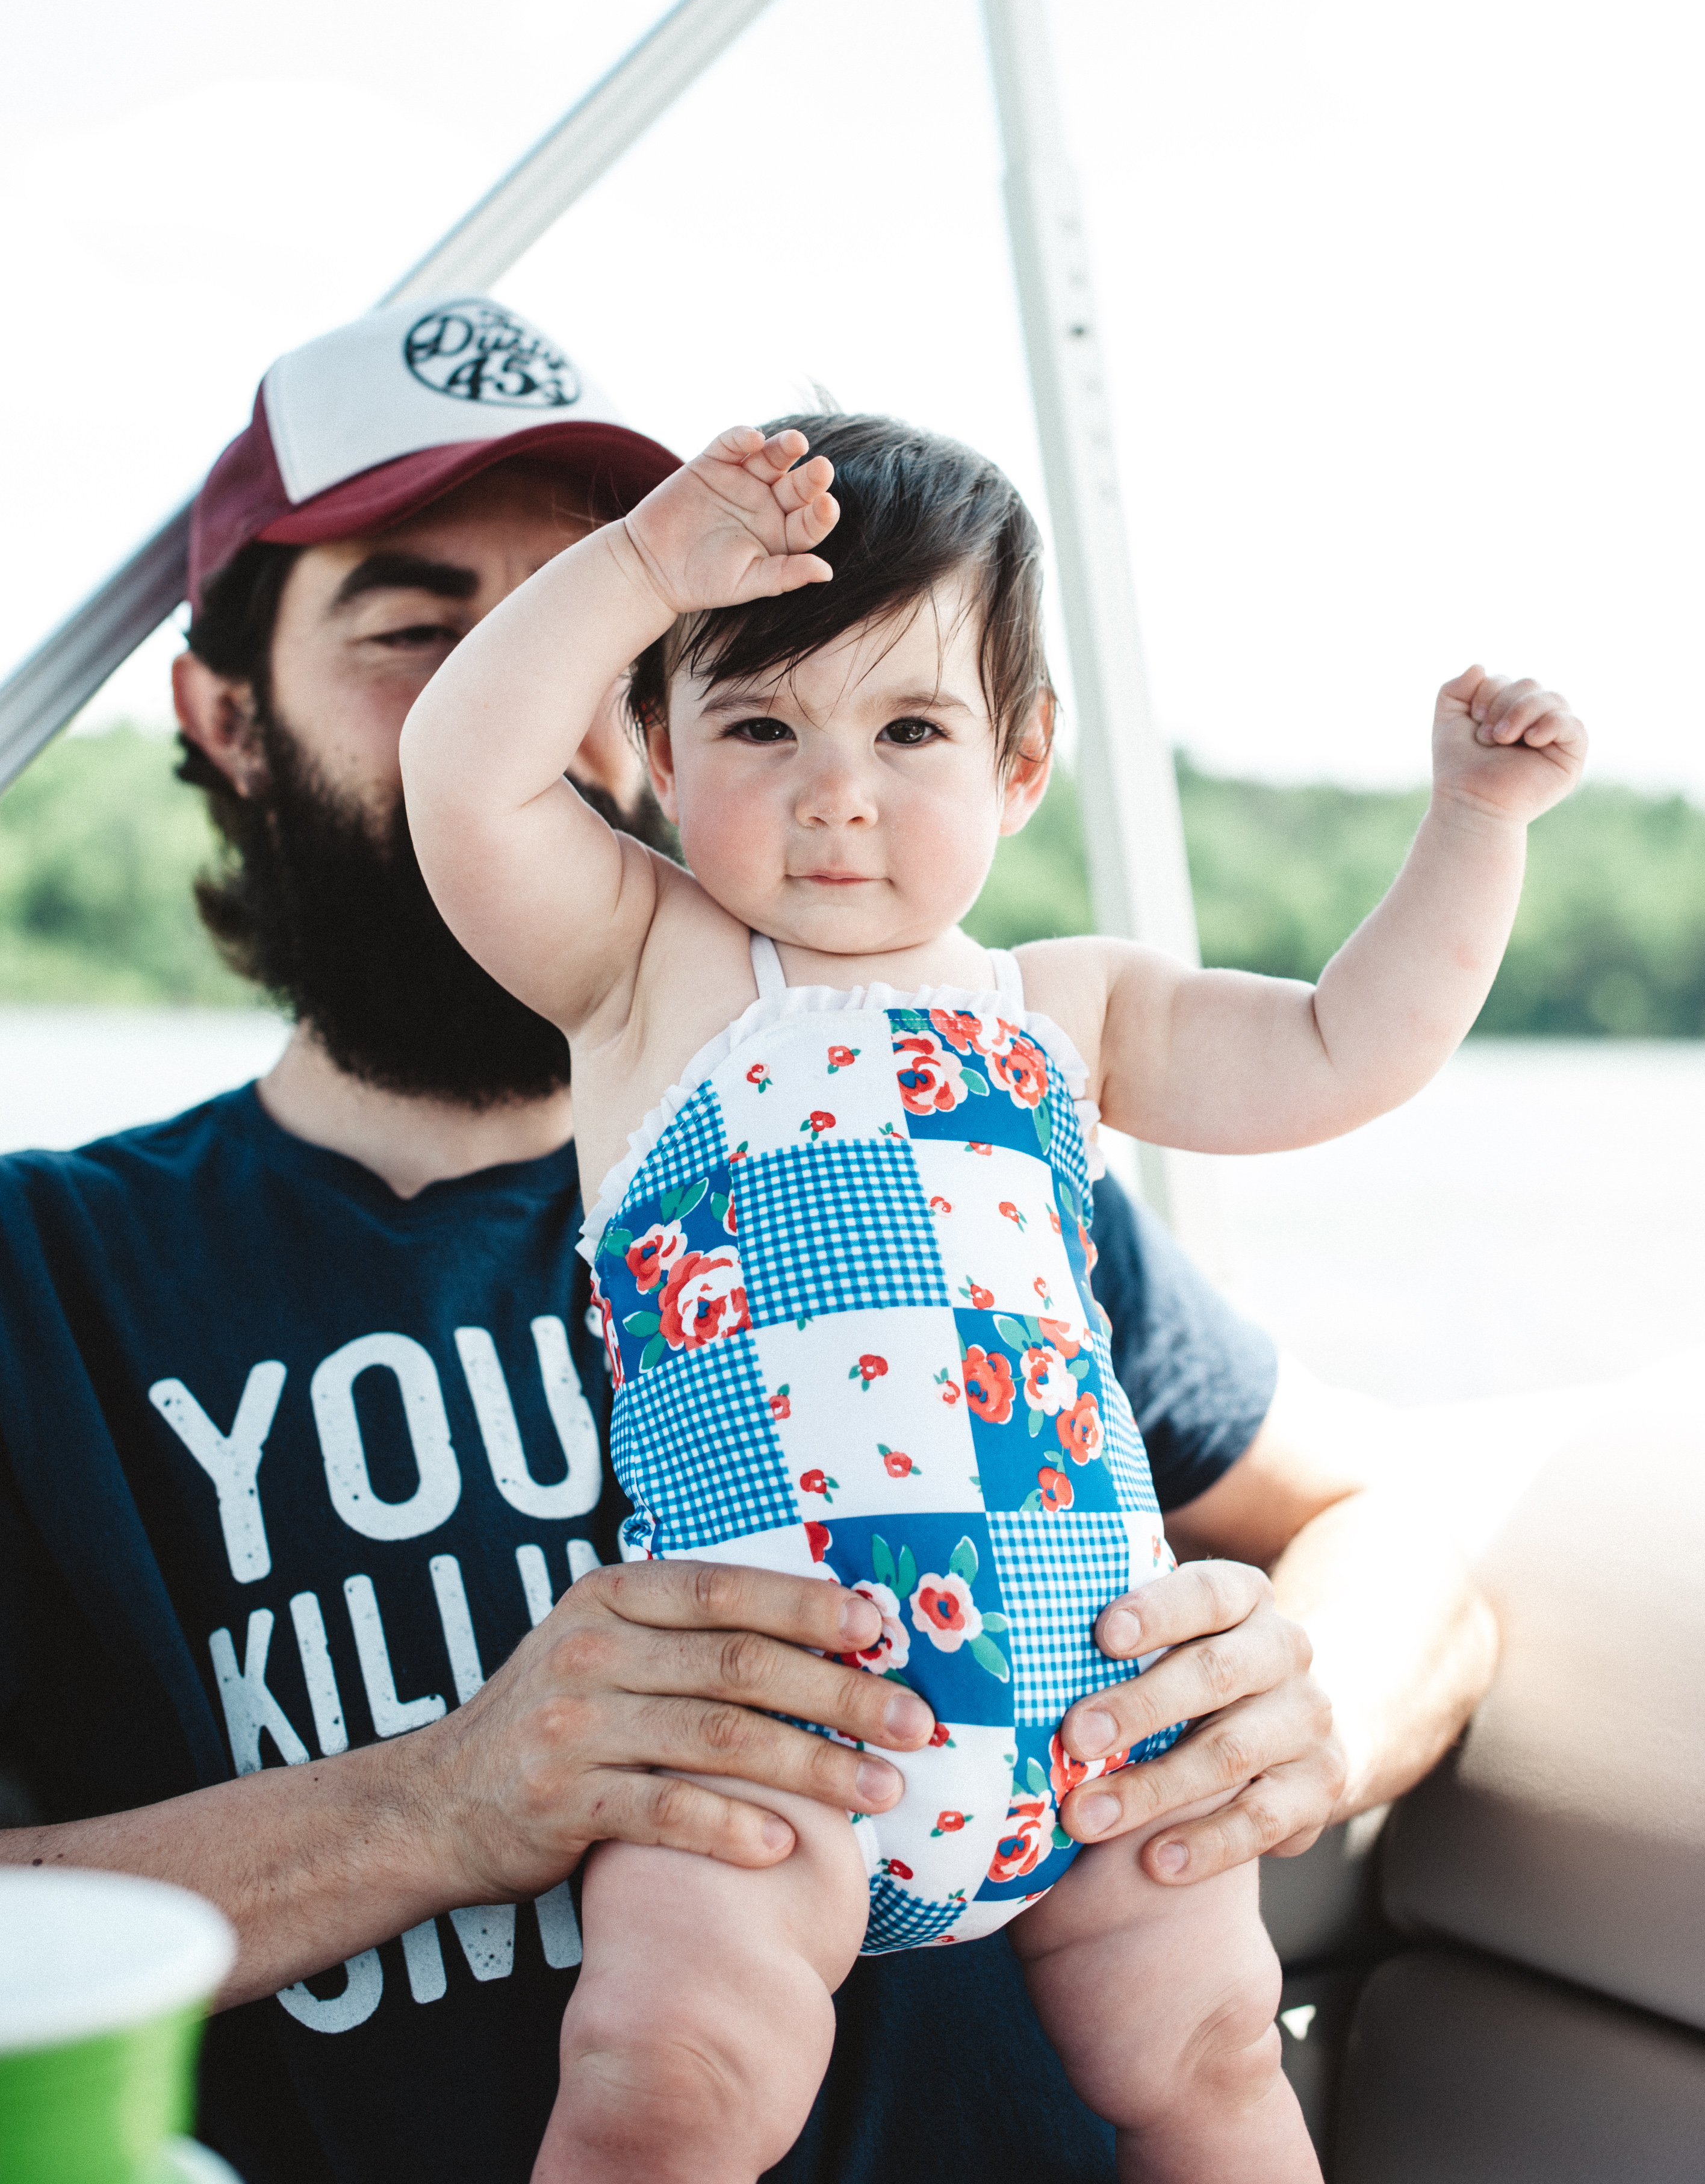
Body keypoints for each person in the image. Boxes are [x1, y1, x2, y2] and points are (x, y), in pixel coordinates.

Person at [0, 302, 1498, 2184]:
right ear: (223, 715)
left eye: (597, 609)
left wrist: (1286, 1727)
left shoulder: (985, 1131)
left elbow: (1402, 1525)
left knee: (1208, 2057)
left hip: (1069, 1804)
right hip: (725, 1914)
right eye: (424, 624)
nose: (531, 680)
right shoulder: (43, 1275)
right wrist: (442, 1804)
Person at [399, 409, 1583, 2183]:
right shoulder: (646, 970)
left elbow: (1349, 1044)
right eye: (759, 726)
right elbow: (462, 771)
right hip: (774, 1736)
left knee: (1210, 2063)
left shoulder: (1065, 1011)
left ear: (1021, 761)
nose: (836, 791)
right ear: (654, 746)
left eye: (909, 728)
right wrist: (647, 566)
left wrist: (1476, 825)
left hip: (1083, 1722)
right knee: (669, 2078)